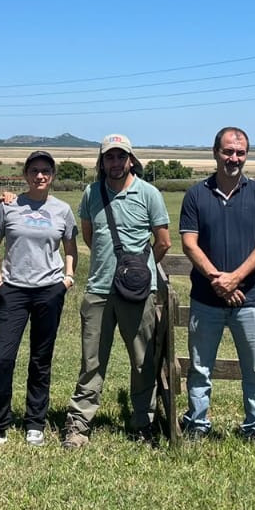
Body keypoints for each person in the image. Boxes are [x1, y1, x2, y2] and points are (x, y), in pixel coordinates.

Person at [63, 134, 171, 448]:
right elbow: (89, 236)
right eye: (109, 157)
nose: (115, 163)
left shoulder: (148, 193)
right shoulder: (91, 193)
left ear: (131, 160)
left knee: (142, 361)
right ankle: (79, 425)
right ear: (102, 162)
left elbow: (162, 242)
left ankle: (143, 423)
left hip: (137, 292)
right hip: (98, 289)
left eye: (121, 157)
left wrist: (138, 269)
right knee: (92, 360)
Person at [179, 127, 255, 443]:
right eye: (228, 151)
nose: (234, 158)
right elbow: (189, 244)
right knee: (199, 368)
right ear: (215, 153)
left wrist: (235, 278)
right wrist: (217, 280)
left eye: (240, 152)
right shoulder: (196, 194)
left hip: (249, 299)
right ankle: (197, 424)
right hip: (206, 299)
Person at [0, 151, 79, 449]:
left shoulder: (62, 210)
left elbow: (70, 246)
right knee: (2, 358)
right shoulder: (10, 206)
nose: (40, 176)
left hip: (49, 290)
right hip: (14, 291)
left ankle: (35, 423)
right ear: (25, 174)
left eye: (46, 171)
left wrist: (68, 278)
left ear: (53, 175)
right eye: (34, 170)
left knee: (40, 359)